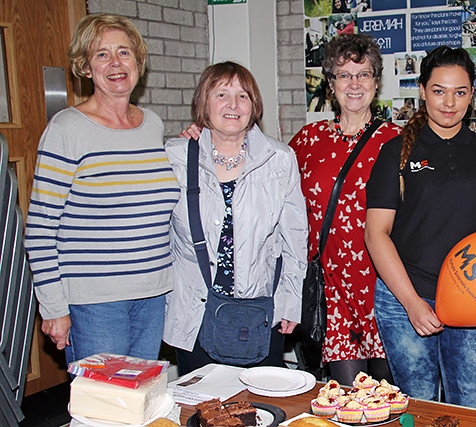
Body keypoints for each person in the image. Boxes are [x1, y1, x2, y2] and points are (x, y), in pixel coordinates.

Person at [363, 46, 476, 410]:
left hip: (472, 301)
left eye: (460, 92)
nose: (449, 102)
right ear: (421, 89)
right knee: (417, 410)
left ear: (472, 95)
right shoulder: (394, 151)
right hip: (404, 300)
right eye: (439, 90)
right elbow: (376, 233)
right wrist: (413, 303)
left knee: (473, 410)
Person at [24, 14, 179, 364]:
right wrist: (53, 307)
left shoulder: (151, 124)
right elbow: (40, 229)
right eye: (101, 54)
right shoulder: (67, 129)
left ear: (138, 62)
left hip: (153, 294)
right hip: (94, 302)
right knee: (104, 405)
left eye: (124, 52)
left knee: (139, 402)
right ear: (85, 66)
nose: (115, 63)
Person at [163, 61, 308, 375]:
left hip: (258, 312)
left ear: (254, 105)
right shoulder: (174, 157)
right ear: (204, 103)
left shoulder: (280, 159)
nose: (232, 104)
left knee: (261, 408)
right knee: (202, 411)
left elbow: (295, 241)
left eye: (242, 96)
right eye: (221, 95)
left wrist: (290, 302)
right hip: (194, 312)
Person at [289, 33, 403, 386]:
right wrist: (206, 136)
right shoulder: (307, 140)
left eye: (364, 74)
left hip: (383, 288)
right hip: (332, 289)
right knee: (348, 398)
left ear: (376, 82)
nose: (354, 84)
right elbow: (258, 170)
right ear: (330, 84)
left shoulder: (399, 140)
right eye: (344, 75)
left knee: (386, 396)